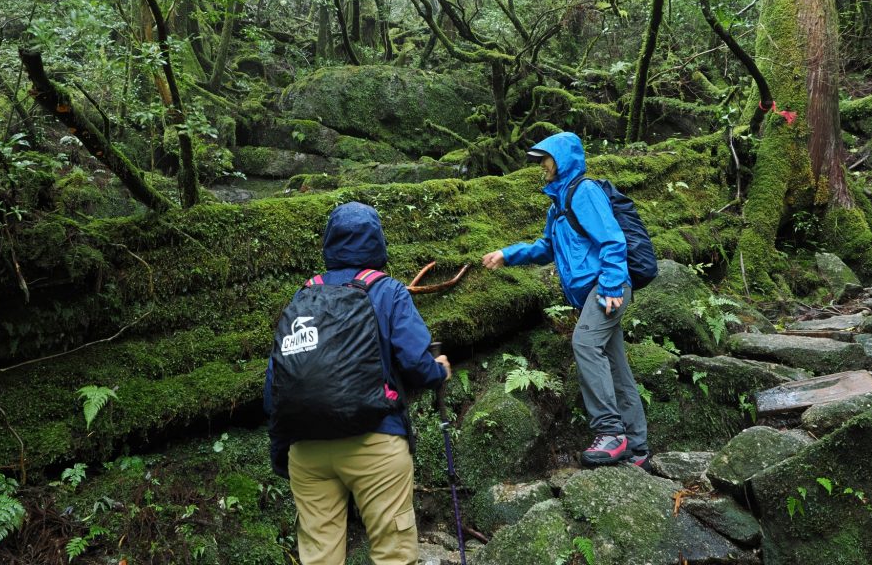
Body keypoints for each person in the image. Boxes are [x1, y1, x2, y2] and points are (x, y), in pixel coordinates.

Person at [264, 201, 451, 565]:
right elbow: (416, 362)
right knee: (392, 554)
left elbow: (275, 390)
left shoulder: (303, 297)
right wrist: (439, 370)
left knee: (319, 557)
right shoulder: (387, 291)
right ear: (378, 243)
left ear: (329, 242)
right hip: (375, 442)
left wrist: (281, 451)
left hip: (307, 450)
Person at [482, 132, 650, 468]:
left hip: (605, 287)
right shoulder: (558, 207)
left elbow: (612, 240)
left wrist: (613, 285)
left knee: (585, 343)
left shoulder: (584, 192)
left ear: (561, 158)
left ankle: (611, 433)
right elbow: (546, 248)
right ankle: (637, 447)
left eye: (545, 158)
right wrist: (507, 254)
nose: (542, 165)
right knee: (615, 364)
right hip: (594, 290)